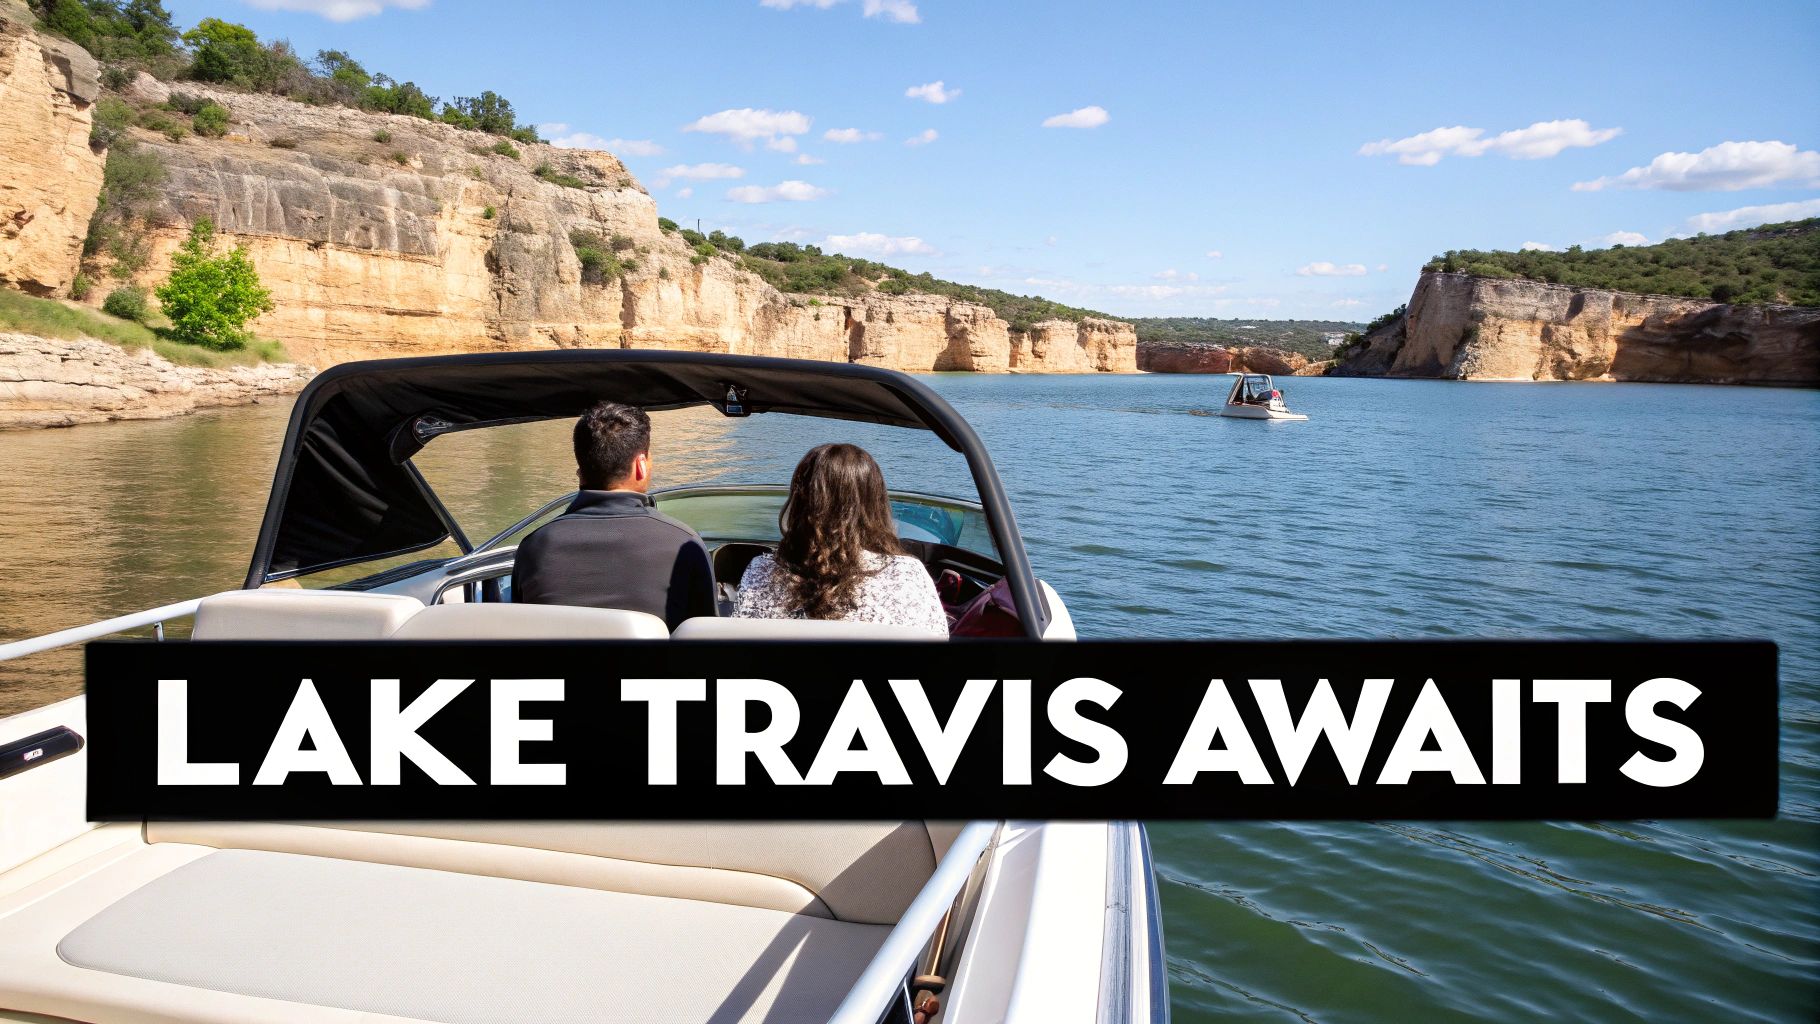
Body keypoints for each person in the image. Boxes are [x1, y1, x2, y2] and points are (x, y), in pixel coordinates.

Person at [511, 401, 716, 629]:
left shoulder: (535, 547)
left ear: (581, 469)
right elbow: (705, 643)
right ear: (641, 465)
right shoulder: (682, 543)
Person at [734, 443, 949, 635]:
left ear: (801, 502)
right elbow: (936, 646)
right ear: (875, 503)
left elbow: (739, 645)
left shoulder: (761, 570)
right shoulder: (908, 574)